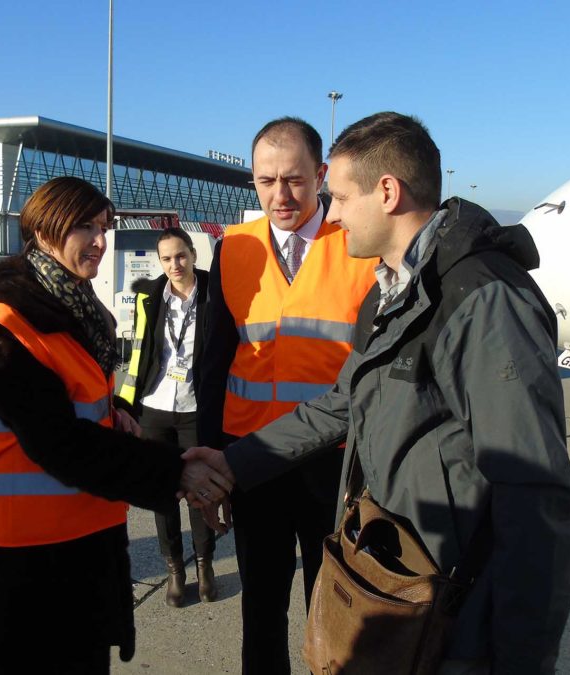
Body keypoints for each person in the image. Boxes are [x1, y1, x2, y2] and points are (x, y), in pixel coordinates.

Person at [189, 112, 570, 674]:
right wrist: (232, 461)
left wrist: (522, 656)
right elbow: (344, 400)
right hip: (404, 558)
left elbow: (535, 495)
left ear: (388, 192)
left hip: (455, 587)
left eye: (340, 196)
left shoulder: (482, 298)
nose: (335, 212)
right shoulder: (392, 291)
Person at [0, 177, 232, 674]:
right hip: (27, 557)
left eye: (104, 226)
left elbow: (77, 408)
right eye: (85, 226)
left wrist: (113, 413)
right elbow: (58, 443)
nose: (100, 241)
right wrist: (175, 473)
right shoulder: (5, 323)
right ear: (42, 229)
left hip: (81, 537)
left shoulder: (72, 311)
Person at [198, 117, 377, 674]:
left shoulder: (358, 245)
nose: (279, 195)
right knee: (261, 607)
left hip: (336, 465)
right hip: (255, 463)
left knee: (334, 611)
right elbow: (211, 367)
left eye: (295, 181)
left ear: (321, 175)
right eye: (265, 181)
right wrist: (211, 467)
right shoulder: (233, 250)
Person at [118, 227, 217, 607]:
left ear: (193, 255)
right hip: (155, 407)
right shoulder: (149, 296)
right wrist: (128, 406)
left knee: (199, 493)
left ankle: (205, 566)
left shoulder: (213, 293)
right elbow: (141, 353)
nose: (174, 265)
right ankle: (175, 570)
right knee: (163, 495)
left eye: (180, 256)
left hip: (196, 409)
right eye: (166, 258)